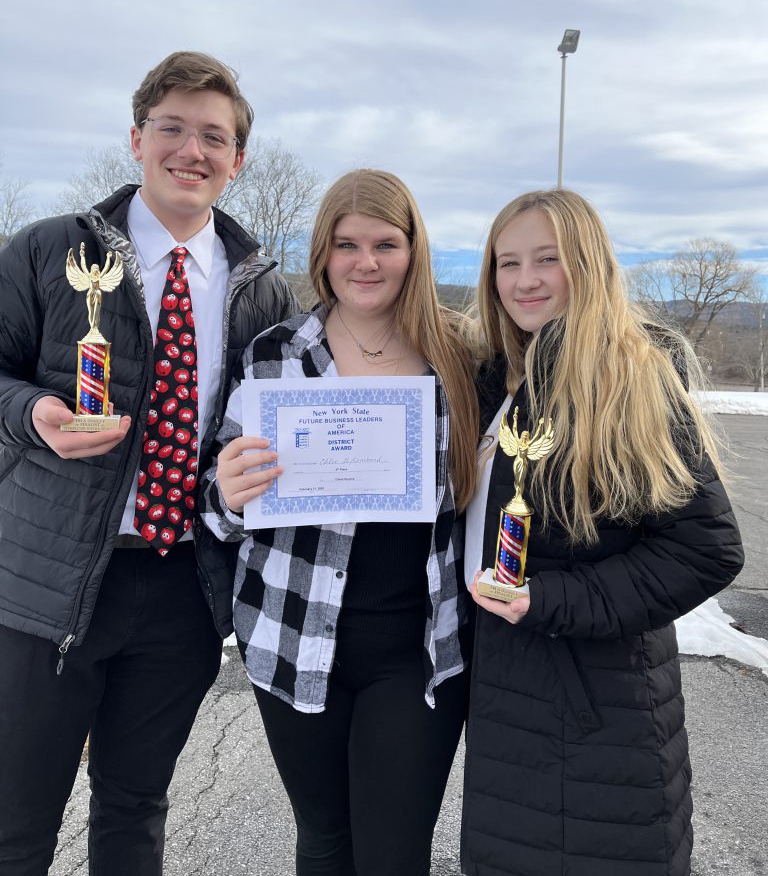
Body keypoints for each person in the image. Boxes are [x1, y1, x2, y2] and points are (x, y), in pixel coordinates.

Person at [0, 51, 298, 876]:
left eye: (214, 136)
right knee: (16, 821)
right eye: (172, 128)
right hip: (45, 587)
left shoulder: (262, 292)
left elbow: (286, 425)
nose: (191, 150)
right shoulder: (49, 251)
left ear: (237, 161)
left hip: (182, 589)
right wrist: (32, 415)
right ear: (137, 139)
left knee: (135, 809)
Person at [200, 169, 479, 876]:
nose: (366, 262)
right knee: (324, 840)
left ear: (415, 251)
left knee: (392, 854)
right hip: (292, 633)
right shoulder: (275, 354)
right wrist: (228, 495)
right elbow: (214, 501)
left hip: (416, 647)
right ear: (322, 252)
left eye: (386, 243)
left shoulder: (463, 357)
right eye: (347, 244)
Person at [460, 189, 744, 876]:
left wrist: (553, 600)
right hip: (509, 698)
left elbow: (705, 548)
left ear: (587, 264)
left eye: (547, 259)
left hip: (594, 706)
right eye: (507, 262)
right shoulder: (500, 375)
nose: (524, 280)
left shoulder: (629, 377)